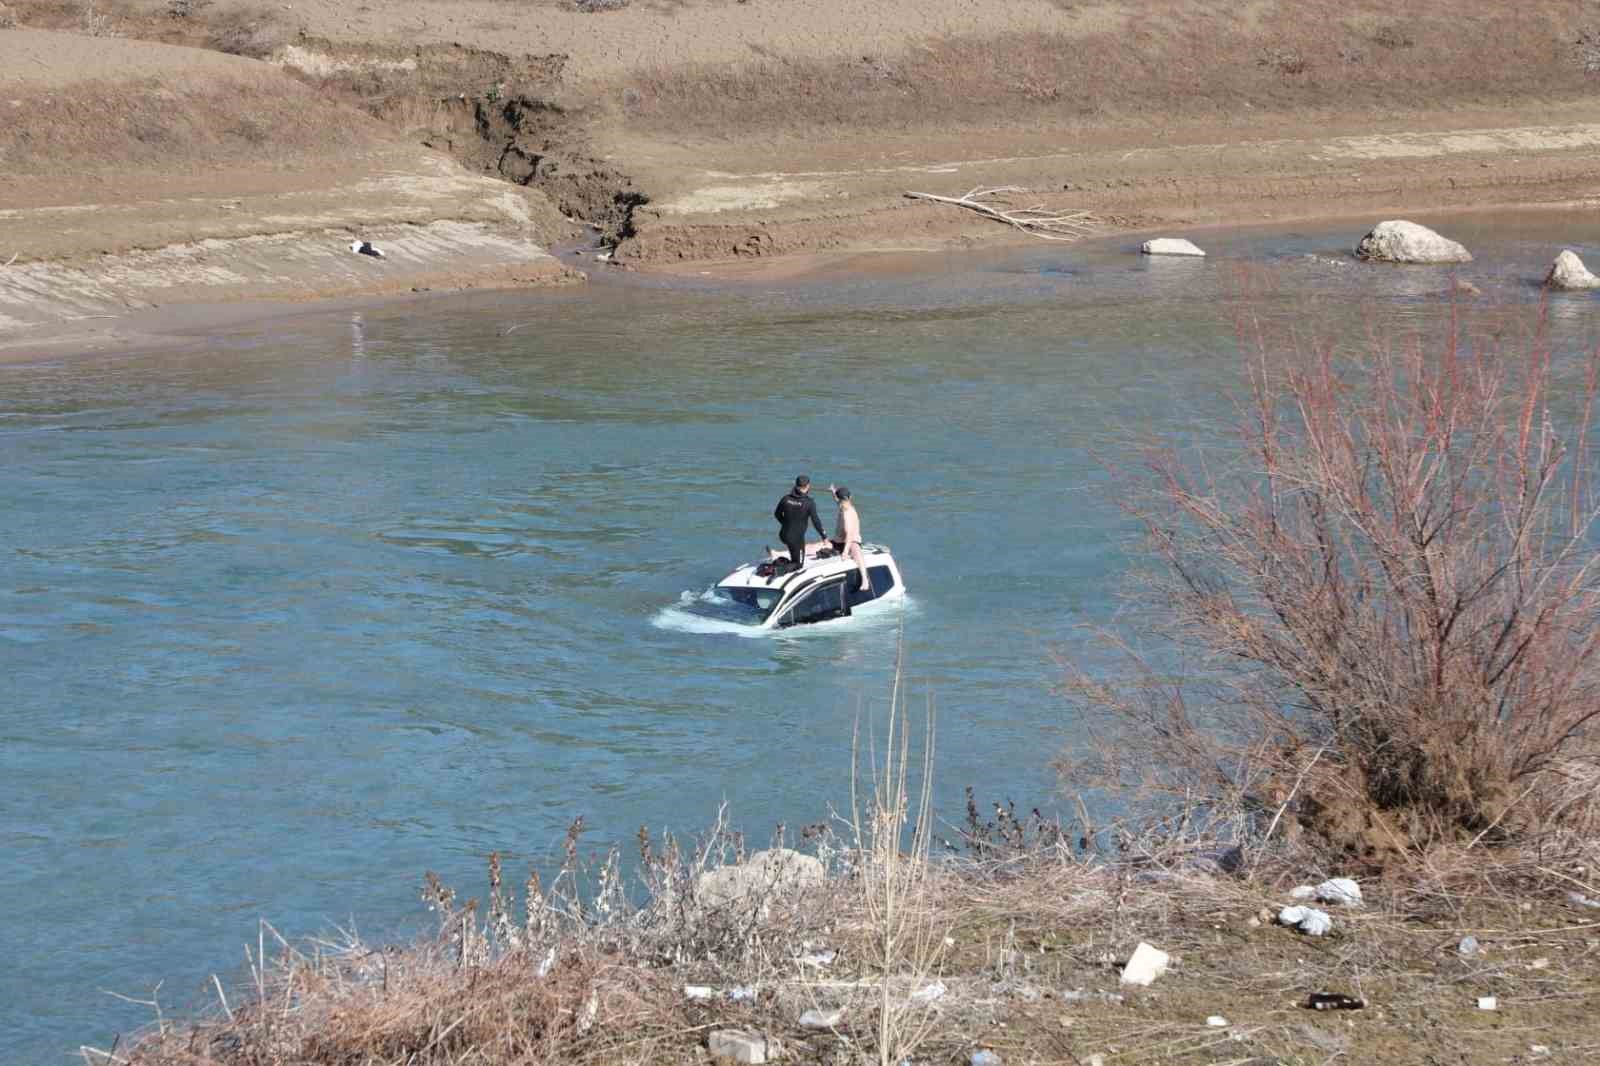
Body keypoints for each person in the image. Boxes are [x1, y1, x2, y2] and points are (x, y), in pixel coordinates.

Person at [773, 475, 825, 572]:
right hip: (796, 539)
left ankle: (781, 563)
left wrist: (786, 524)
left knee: (794, 554)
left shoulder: (785, 499)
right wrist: (824, 537)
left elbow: (777, 514)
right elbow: (816, 522)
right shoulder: (809, 503)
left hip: (783, 535)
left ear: (796, 485)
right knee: (798, 564)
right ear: (808, 486)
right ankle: (778, 570)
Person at [827, 485, 869, 590]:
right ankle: (783, 553)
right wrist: (833, 491)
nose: (839, 502)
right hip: (838, 541)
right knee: (818, 545)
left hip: (851, 541)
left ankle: (865, 580)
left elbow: (849, 534)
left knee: (856, 551)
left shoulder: (848, 513)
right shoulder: (843, 505)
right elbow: (837, 500)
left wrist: (845, 552)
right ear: (850, 497)